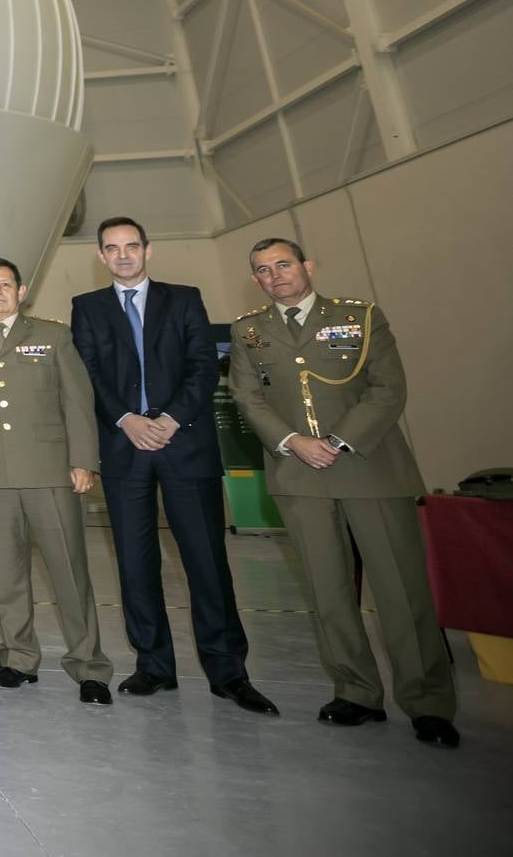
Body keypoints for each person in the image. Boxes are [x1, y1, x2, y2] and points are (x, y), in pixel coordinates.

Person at [230, 238, 458, 748]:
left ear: (307, 266)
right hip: (299, 473)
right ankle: (355, 691)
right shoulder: (250, 331)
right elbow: (247, 396)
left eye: (283, 265)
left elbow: (388, 388)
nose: (275, 276)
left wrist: (337, 440)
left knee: (401, 590)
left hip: (368, 468)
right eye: (263, 271)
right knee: (327, 590)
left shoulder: (359, 317)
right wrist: (294, 442)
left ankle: (428, 702)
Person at [70, 218, 274, 715]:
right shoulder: (87, 308)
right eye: (112, 249)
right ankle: (154, 665)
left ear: (147, 249)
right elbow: (87, 373)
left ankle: (228, 670)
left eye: (131, 246)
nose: (122, 255)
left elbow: (204, 365)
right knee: (136, 565)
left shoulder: (184, 299)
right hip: (125, 450)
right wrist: (126, 420)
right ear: (100, 256)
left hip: (184, 446)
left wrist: (170, 419)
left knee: (206, 560)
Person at [0, 258, 113, 705]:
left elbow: (78, 401)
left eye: (5, 285)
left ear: (21, 292)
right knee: (8, 574)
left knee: (69, 572)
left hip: (50, 472)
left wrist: (83, 461)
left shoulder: (52, 335)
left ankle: (88, 665)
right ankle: (19, 657)